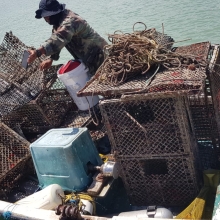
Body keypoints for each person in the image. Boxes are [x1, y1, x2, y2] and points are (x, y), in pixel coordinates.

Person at [27, 0, 108, 76]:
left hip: (102, 57)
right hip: (90, 60)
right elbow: (57, 40)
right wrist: (51, 58)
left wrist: (37, 52)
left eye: (47, 15)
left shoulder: (70, 21)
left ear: (56, 12)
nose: (46, 18)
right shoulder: (58, 22)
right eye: (44, 16)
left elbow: (59, 38)